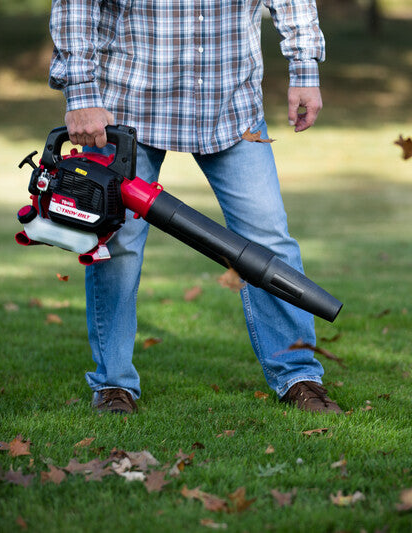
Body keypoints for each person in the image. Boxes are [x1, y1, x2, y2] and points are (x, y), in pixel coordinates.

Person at [48, 0, 341, 415]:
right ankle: (113, 384)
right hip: (129, 104)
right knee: (119, 244)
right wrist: (80, 92)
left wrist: (304, 69)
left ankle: (298, 376)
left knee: (268, 238)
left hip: (232, 105)